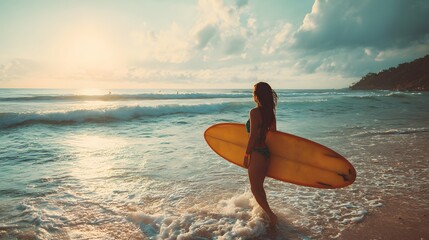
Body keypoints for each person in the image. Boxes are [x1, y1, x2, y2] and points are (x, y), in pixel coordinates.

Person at [244, 82, 278, 228]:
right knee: (259, 187)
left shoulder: (254, 112)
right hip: (266, 154)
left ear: (257, 96)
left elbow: (252, 137)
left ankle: (271, 215)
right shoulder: (270, 113)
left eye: (254, 92)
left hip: (257, 153)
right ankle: (269, 214)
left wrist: (246, 154)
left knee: (255, 188)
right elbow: (274, 135)